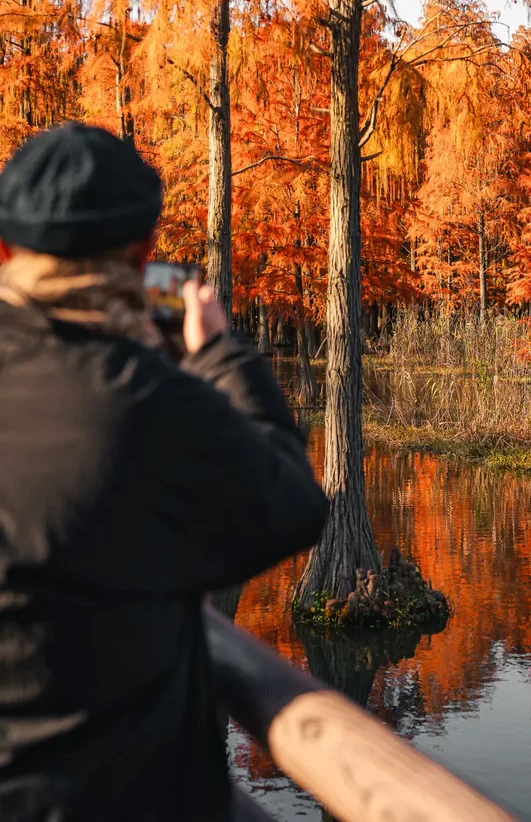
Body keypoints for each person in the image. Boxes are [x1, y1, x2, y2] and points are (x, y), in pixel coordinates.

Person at [0, 123, 328, 822]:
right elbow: (293, 506)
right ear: (145, 253)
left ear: (5, 250)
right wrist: (218, 355)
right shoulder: (146, 402)